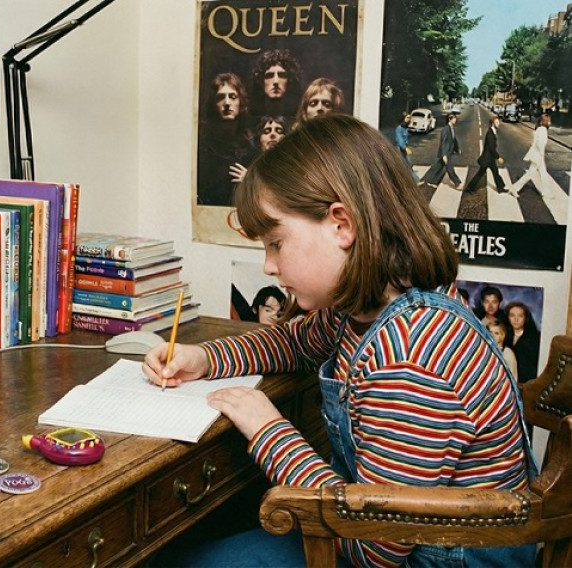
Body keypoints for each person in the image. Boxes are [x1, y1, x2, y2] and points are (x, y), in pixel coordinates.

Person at [144, 114, 535, 567]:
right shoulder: (367, 305)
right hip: (377, 528)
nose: (269, 266)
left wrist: (267, 430)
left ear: (342, 226)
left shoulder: (410, 356)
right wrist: (203, 357)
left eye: (276, 243)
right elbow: (291, 344)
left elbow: (372, 548)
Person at [197, 72, 256, 206]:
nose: (227, 103)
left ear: (240, 102)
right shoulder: (202, 144)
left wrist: (250, 181)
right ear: (214, 104)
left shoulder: (250, 146)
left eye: (233, 97)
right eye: (220, 97)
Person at [229, 115, 287, 183]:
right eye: (266, 131)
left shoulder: (293, 165)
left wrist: (252, 181)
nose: (273, 134)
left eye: (279, 131)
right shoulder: (248, 165)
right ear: (259, 140)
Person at [510, 113, 552, 199]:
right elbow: (540, 144)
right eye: (549, 121)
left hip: (537, 155)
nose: (550, 123)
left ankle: (546, 192)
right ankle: (514, 188)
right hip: (538, 156)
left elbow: (534, 142)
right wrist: (542, 154)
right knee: (530, 174)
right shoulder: (543, 130)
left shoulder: (539, 129)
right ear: (545, 122)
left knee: (543, 174)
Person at [250, 49, 301, 119]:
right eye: (269, 76)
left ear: (290, 80)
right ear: (261, 81)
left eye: (282, 75)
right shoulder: (251, 118)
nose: (276, 81)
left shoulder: (298, 118)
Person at [463, 114, 507, 194]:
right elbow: (491, 148)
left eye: (498, 122)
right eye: (497, 122)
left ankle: (500, 188)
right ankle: (469, 188)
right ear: (493, 123)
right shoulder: (490, 133)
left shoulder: (493, 131)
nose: (499, 124)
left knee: (495, 172)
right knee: (480, 174)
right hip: (487, 159)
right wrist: (498, 157)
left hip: (490, 158)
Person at [422, 113, 463, 190]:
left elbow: (453, 140)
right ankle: (457, 183)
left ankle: (431, 181)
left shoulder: (451, 128)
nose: (455, 120)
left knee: (438, 166)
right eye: (454, 118)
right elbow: (443, 142)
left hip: (448, 152)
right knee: (450, 168)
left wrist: (457, 149)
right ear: (450, 119)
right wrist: (444, 155)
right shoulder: (445, 129)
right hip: (446, 153)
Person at [506, 301, 541, 384]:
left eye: (520, 316)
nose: (516, 319)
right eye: (512, 315)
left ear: (526, 318)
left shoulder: (535, 338)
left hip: (526, 383)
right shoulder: (503, 335)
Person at [394, 111, 419, 183]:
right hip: (399, 149)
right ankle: (415, 181)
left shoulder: (405, 128)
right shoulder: (399, 129)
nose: (409, 119)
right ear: (403, 118)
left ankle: (415, 181)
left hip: (403, 149)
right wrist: (405, 148)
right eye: (407, 118)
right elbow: (400, 140)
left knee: (408, 164)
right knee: (405, 165)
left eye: (410, 118)